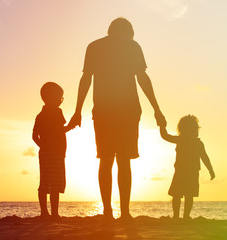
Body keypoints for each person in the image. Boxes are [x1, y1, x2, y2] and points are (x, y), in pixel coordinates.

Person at [69, 17, 166, 221]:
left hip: (104, 111)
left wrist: (78, 110)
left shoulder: (94, 46)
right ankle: (124, 212)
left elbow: (86, 78)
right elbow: (143, 78)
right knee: (124, 161)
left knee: (105, 160)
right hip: (127, 111)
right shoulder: (132, 46)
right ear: (129, 32)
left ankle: (107, 211)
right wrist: (157, 109)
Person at [160, 115, 215, 220]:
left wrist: (211, 170)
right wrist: (162, 126)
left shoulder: (197, 143)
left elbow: (205, 158)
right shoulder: (181, 140)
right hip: (182, 171)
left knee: (187, 195)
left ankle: (184, 216)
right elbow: (165, 136)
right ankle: (177, 216)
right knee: (178, 195)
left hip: (190, 172)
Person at [32, 82, 73, 219]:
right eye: (59, 97)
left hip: (47, 153)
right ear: (50, 97)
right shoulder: (56, 112)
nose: (60, 100)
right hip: (56, 153)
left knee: (45, 182)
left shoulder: (40, 115)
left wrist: (43, 146)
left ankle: (45, 212)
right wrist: (71, 126)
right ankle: (53, 213)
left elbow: (34, 135)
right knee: (54, 183)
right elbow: (60, 130)